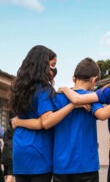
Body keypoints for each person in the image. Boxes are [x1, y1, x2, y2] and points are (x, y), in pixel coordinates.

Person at [12, 57, 110, 182]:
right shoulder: (91, 98)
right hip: (86, 164)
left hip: (60, 165)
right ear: (93, 80)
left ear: (73, 78)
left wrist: (18, 122)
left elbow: (43, 121)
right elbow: (103, 114)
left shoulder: (55, 97)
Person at [8, 45, 61, 182]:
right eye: (52, 65)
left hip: (20, 150)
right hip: (39, 152)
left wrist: (18, 122)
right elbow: (44, 122)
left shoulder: (18, 89)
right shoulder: (44, 89)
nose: (54, 71)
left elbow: (17, 119)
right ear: (42, 65)